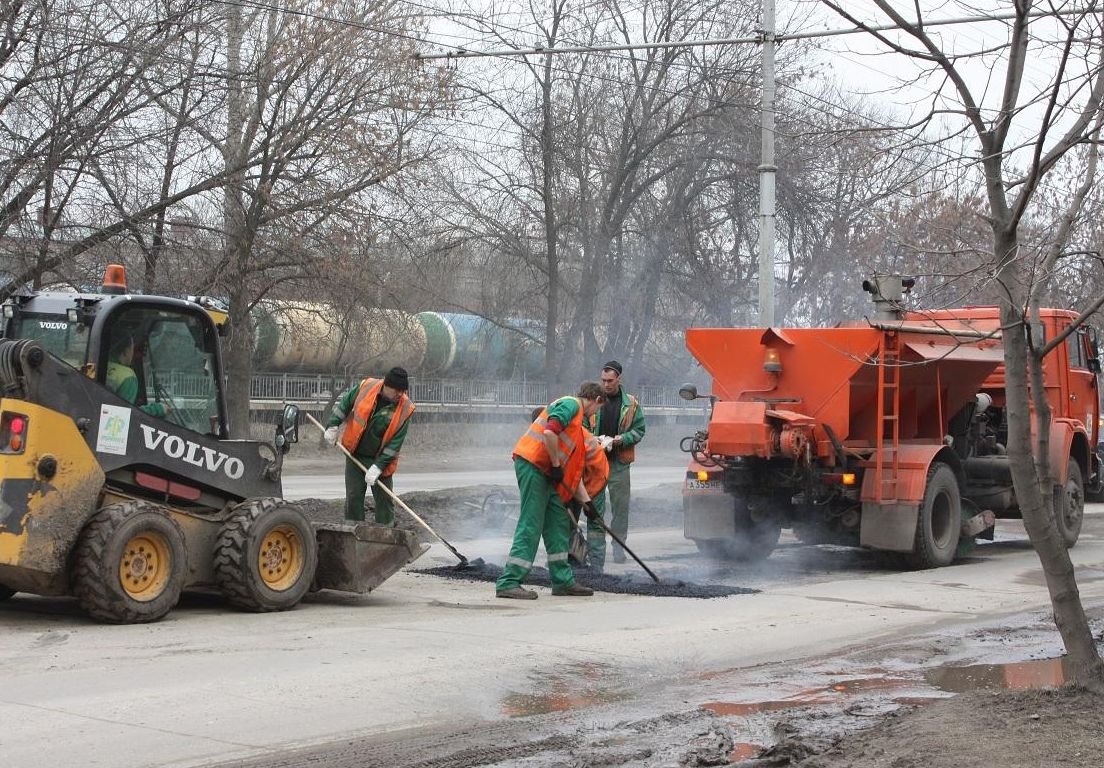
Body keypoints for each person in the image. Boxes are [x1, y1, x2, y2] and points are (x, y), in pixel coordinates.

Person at [495, 382, 605, 599]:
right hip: (534, 466)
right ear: (597, 400)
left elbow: (572, 477)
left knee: (558, 522)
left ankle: (563, 581)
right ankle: (509, 581)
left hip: (548, 472)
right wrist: (555, 464)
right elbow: (549, 432)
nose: (594, 414)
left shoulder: (576, 431)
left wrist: (589, 506)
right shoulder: (570, 404)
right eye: (597, 410)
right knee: (532, 522)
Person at [324, 366, 415, 525]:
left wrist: (378, 467)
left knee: (384, 500)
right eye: (397, 390)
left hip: (381, 461)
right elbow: (346, 403)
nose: (401, 394)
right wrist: (333, 425)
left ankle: (385, 534)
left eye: (403, 390)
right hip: (355, 454)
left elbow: (395, 444)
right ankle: (354, 531)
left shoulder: (405, 408)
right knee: (353, 498)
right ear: (387, 385)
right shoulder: (367, 386)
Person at [585, 360, 646, 568]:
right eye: (603, 380)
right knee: (595, 507)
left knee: (621, 509)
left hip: (619, 463)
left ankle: (618, 547)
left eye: (610, 380)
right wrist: (594, 441)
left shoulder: (631, 404)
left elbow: (639, 430)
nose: (606, 384)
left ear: (619, 379)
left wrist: (621, 439)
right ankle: (595, 551)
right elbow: (583, 425)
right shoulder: (594, 399)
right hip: (596, 462)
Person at [105, 333, 169, 418]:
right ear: (126, 351)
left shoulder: (101, 366)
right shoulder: (127, 376)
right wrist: (158, 409)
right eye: (132, 348)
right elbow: (126, 415)